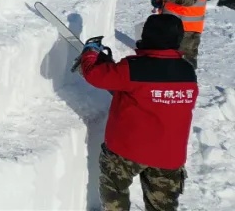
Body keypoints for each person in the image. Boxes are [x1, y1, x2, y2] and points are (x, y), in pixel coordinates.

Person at [77, 13, 197, 211]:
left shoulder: (132, 68)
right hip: (169, 155)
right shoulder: (187, 72)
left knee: (114, 191)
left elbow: (95, 75)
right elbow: (150, 91)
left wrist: (90, 53)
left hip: (126, 150)